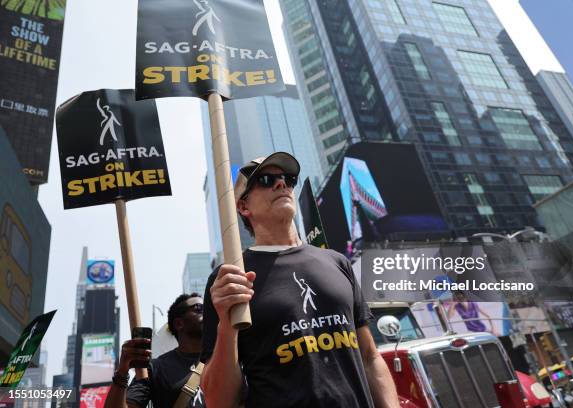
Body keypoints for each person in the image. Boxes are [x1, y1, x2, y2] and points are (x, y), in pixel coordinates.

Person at [200, 152, 399, 408]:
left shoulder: (337, 262)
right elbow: (219, 401)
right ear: (243, 206)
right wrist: (226, 326)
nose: (281, 184)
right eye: (265, 180)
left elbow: (370, 358)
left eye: (287, 178)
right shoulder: (230, 278)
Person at [104, 294, 206, 408]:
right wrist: (122, 371)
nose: (207, 312)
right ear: (179, 323)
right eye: (199, 308)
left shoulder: (225, 360)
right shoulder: (155, 369)